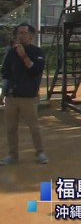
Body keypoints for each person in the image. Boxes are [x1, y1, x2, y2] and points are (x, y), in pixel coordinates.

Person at [0, 24, 48, 165]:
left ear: (30, 36)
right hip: (11, 97)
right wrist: (3, 94)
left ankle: (40, 152)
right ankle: (12, 155)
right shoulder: (11, 53)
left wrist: (23, 55)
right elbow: (6, 74)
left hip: (28, 97)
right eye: (18, 33)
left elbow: (35, 70)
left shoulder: (37, 52)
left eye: (23, 32)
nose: (20, 35)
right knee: (11, 128)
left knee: (34, 127)